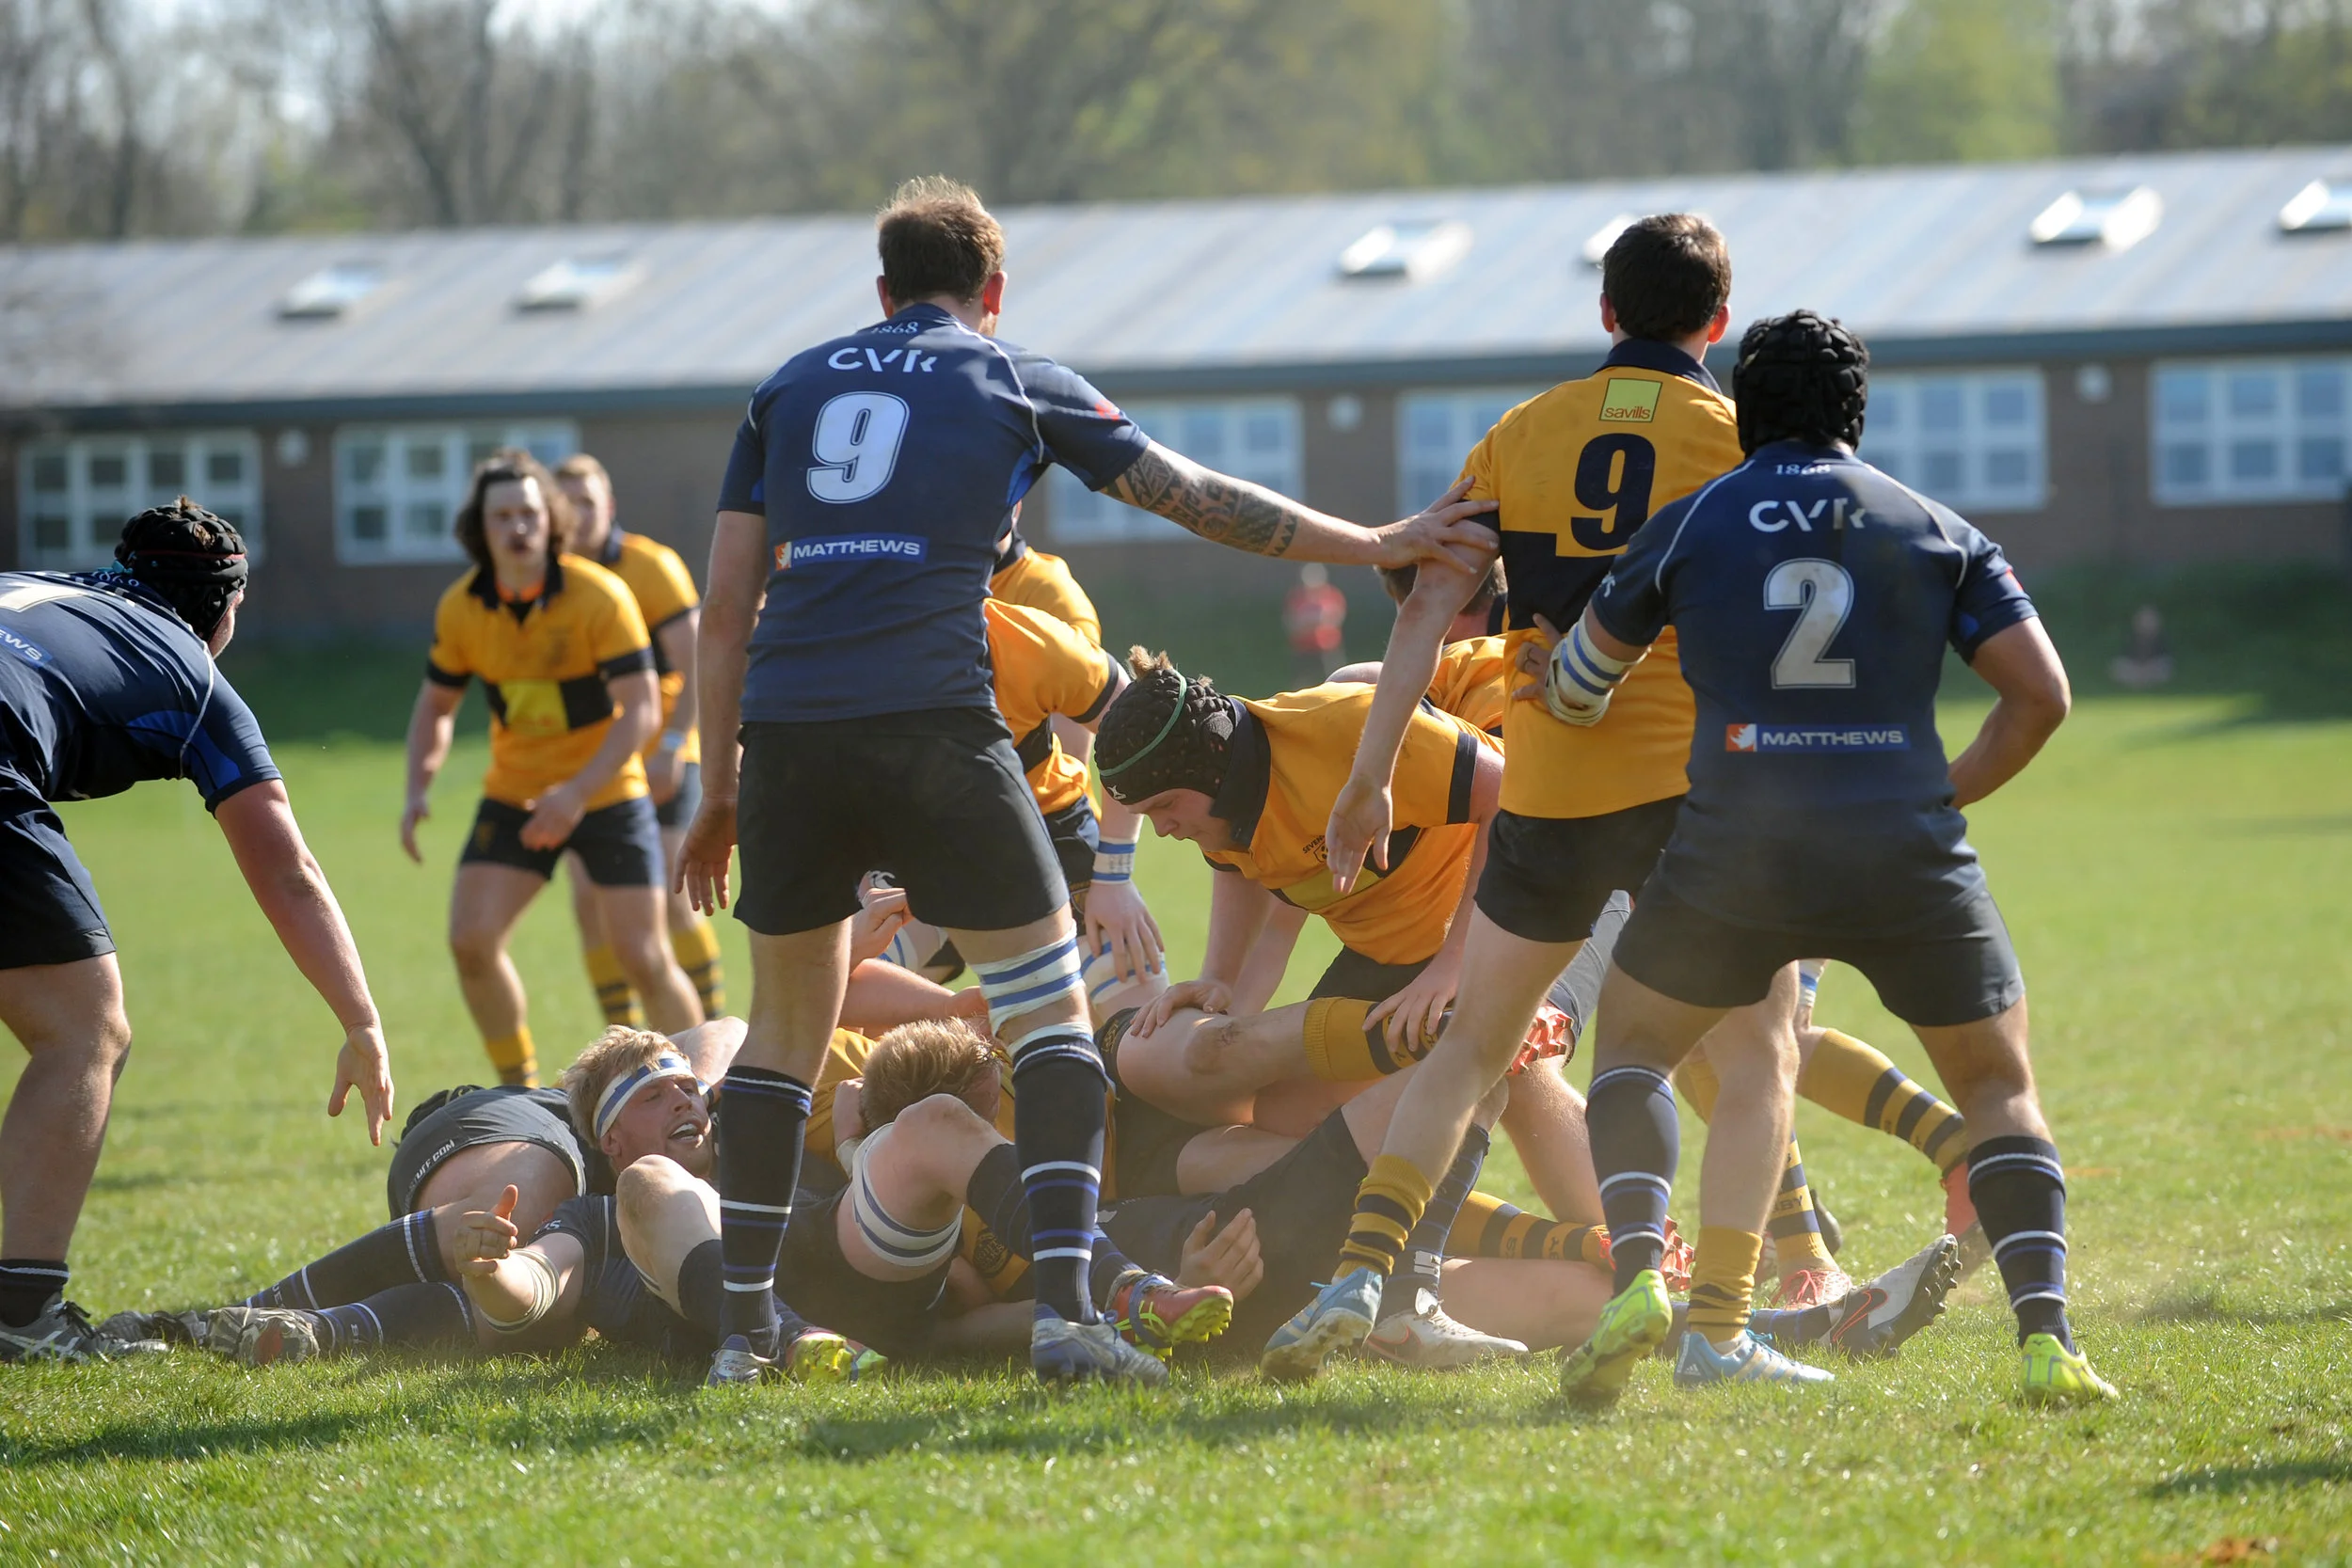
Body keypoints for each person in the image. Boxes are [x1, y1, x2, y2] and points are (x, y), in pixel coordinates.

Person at [675, 174, 1494, 1387]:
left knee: (785, 1033)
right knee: (1049, 1020)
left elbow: (726, 606)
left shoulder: (788, 386)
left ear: (881, 293)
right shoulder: (1006, 373)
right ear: (991, 293)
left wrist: (721, 782)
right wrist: (1375, 543)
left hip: (791, 729)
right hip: (943, 722)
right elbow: (1196, 496)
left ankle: (743, 1335)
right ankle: (1068, 1313)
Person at [1548, 309, 2114, 1404]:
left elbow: (1579, 685)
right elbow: (2039, 696)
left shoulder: (1693, 518)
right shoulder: (1932, 523)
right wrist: (1936, 792)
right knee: (1997, 1089)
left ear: (1742, 413)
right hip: (1903, 845)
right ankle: (2046, 1339)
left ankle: (1637, 1275)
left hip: (1736, 847)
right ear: (1857, 411)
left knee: (1634, 1050)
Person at [1280, 214, 1795, 1382]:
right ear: (1715, 321)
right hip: (1688, 796)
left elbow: (1424, 610)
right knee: (1758, 1054)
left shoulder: (1520, 432)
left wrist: (1366, 782)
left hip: (1547, 791)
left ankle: (1362, 1272)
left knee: (1472, 1045)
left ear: (1605, 314)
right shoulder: (1737, 438)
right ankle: (1715, 1327)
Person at [0, 499, 394, 1363]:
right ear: (224, 607)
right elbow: (287, 870)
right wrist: (362, 1021)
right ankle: (19, 1315)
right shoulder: (191, 670)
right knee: (83, 1030)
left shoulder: (43, 586)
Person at [401, 451, 703, 1089]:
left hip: (605, 791)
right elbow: (436, 702)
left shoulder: (601, 594)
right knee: (470, 940)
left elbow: (641, 707)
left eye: (529, 512)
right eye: (502, 514)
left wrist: (576, 792)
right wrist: (417, 784)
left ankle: (700, 1091)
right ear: (479, 528)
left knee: (644, 955)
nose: (517, 527)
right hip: (516, 795)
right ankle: (522, 1092)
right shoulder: (461, 607)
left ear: (552, 519)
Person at [549, 453, 728, 1025]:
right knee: (588, 905)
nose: (576, 514)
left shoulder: (651, 567)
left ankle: (716, 1033)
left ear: (610, 507)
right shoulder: (545, 582)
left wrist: (675, 742)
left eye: (587, 502)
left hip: (664, 755)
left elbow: (697, 662)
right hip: (593, 765)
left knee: (675, 905)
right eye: (566, 502)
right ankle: (621, 1043)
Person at [1284, 563, 1348, 684]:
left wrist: (1314, 622)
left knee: (1333, 680)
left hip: (1326, 647)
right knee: (1302, 682)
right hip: (1303, 648)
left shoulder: (1331, 596)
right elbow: (1291, 622)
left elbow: (1336, 618)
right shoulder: (1297, 598)